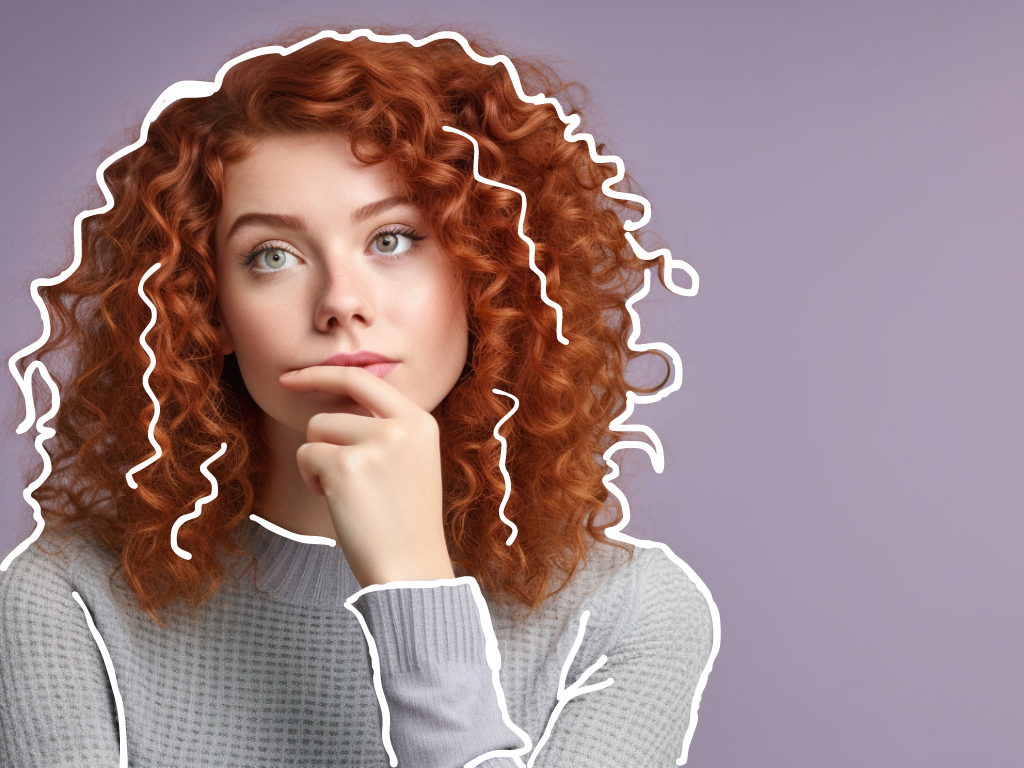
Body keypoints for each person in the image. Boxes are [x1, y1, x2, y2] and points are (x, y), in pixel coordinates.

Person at [0, 26, 717, 768]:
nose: (342, 301)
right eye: (271, 256)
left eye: (393, 239)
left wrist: (411, 584)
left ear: (487, 274)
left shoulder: (630, 615)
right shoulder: (68, 599)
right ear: (206, 308)